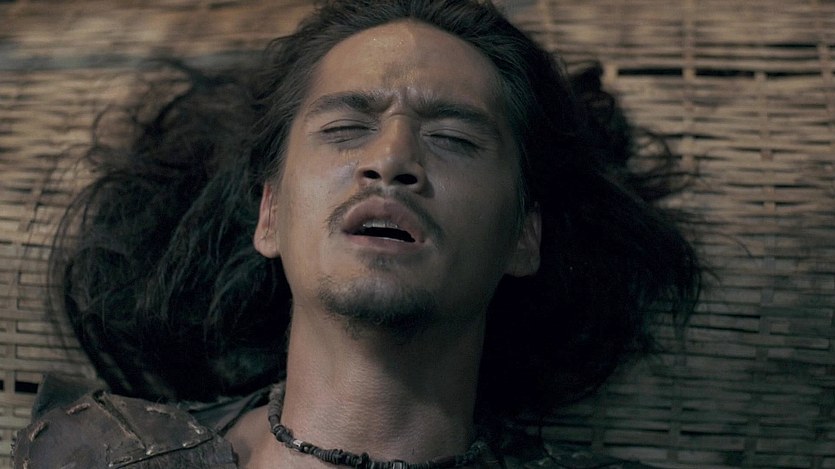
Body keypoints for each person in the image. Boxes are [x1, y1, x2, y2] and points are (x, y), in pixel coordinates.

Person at [13, 0, 701, 467]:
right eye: (345, 128)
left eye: (454, 138)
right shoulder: (101, 452)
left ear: (524, 235)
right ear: (270, 215)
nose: (392, 159)